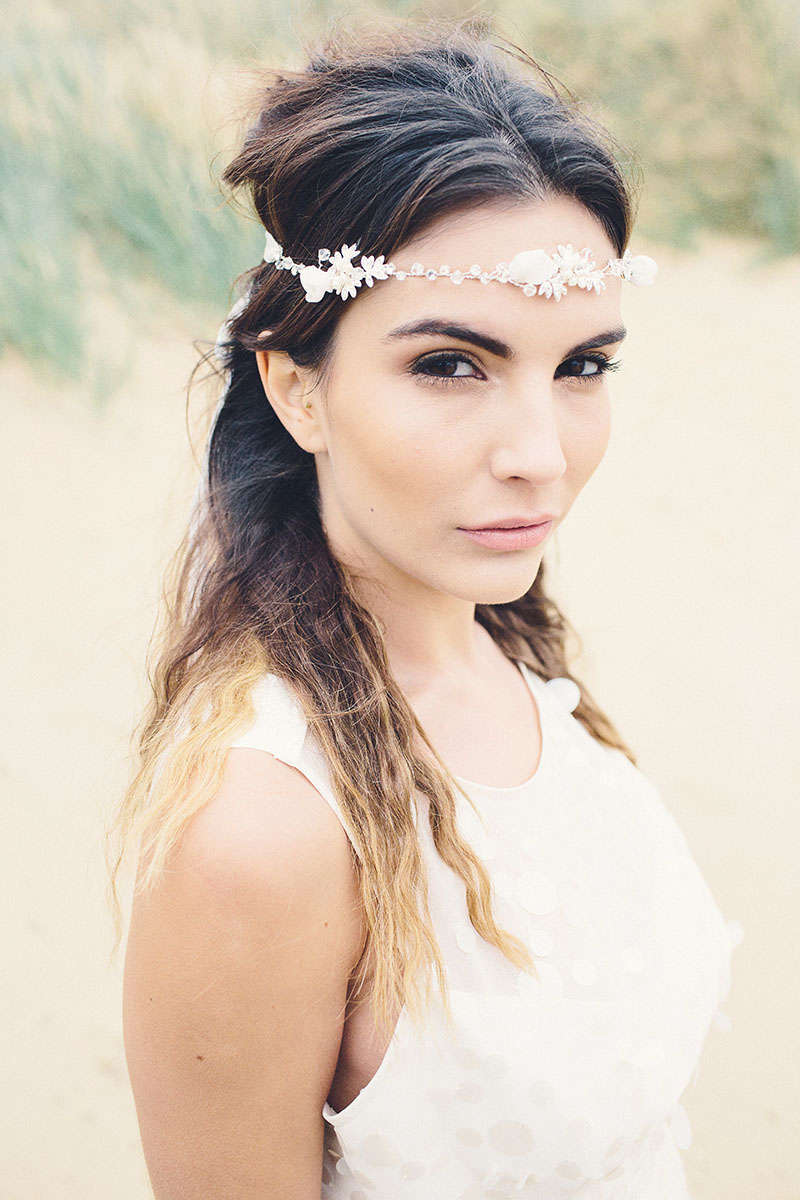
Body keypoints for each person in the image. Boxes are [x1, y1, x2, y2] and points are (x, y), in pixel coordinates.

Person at [115, 25, 734, 1200]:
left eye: (582, 367)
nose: (538, 454)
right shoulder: (264, 834)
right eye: (450, 365)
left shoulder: (507, 652)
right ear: (298, 390)